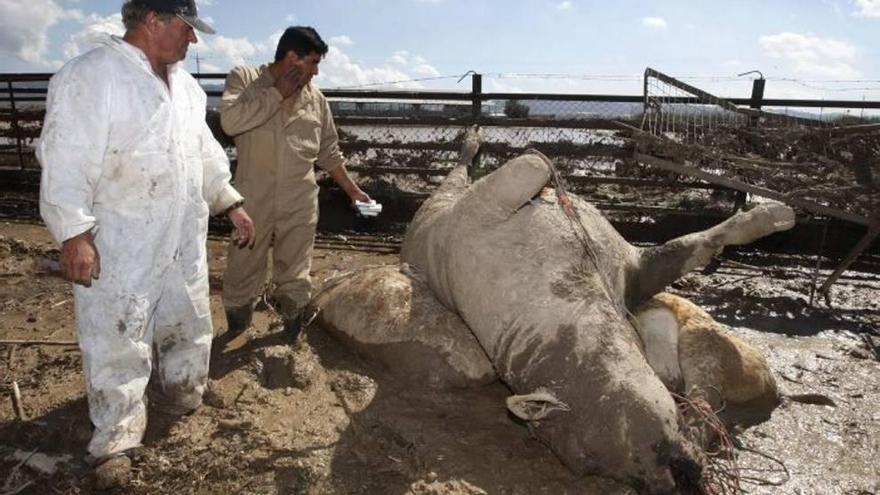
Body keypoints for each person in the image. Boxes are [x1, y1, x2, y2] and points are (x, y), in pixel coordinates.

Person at [37, 0, 255, 487]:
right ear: (152, 21)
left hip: (181, 232)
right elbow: (65, 159)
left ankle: (183, 392)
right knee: (118, 335)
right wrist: (74, 233)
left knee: (190, 316)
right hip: (122, 239)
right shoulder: (92, 76)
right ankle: (116, 437)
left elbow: (205, 153)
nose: (193, 40)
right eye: (187, 28)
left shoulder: (187, 89)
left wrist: (229, 201)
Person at [220, 26, 369, 340]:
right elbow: (230, 122)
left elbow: (328, 151)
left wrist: (354, 191)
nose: (316, 71)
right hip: (252, 199)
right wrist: (277, 94)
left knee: (296, 270)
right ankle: (237, 324)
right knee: (243, 265)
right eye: (313, 62)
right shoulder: (245, 79)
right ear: (291, 57)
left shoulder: (317, 100)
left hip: (299, 199)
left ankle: (290, 330)